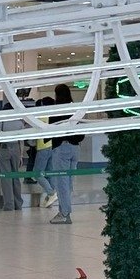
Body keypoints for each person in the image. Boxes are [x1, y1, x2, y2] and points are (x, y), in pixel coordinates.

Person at [44, 83, 83, 224]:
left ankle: (64, 213)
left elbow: (51, 129)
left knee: (62, 183)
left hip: (62, 148)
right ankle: (65, 211)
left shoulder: (57, 109)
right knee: (69, 183)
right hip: (75, 148)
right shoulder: (75, 109)